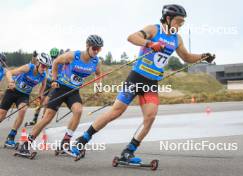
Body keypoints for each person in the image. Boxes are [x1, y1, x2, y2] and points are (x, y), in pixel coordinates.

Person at [70, 4, 216, 162]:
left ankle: (128, 151)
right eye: (178, 21)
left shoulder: (176, 39)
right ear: (168, 18)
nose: (180, 25)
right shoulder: (154, 29)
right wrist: (149, 43)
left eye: (182, 23)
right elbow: (132, 37)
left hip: (151, 83)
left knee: (150, 116)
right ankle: (82, 140)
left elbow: (186, 57)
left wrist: (203, 56)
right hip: (137, 77)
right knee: (116, 111)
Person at [18, 35, 103, 156]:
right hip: (61, 88)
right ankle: (26, 144)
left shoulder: (96, 61)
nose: (96, 51)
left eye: (99, 49)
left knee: (78, 111)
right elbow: (56, 62)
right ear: (88, 46)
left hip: (73, 91)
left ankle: (65, 143)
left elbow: (98, 74)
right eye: (94, 48)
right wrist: (54, 80)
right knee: (47, 118)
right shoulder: (74, 56)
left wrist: (98, 87)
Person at [0, 53, 51, 148]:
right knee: (2, 115)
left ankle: (10, 137)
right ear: (38, 63)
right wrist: (11, 81)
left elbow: (43, 85)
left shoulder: (43, 75)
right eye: (43, 65)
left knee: (22, 110)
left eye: (47, 67)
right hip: (12, 91)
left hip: (24, 95)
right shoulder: (28, 67)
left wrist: (40, 95)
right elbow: (9, 72)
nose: (44, 68)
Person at [25, 48, 60, 126]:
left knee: (47, 102)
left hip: (53, 84)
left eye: (55, 57)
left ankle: (42, 120)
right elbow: (35, 64)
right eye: (52, 56)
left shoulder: (59, 62)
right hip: (47, 82)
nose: (54, 58)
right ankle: (34, 119)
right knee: (40, 100)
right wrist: (34, 56)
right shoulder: (48, 60)